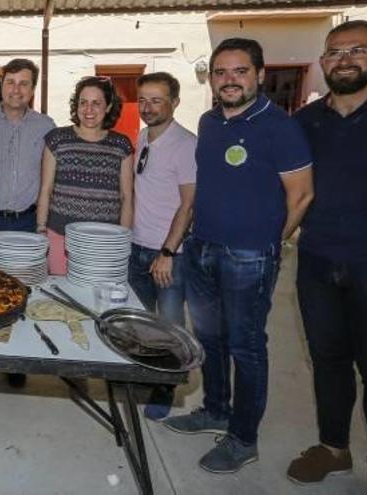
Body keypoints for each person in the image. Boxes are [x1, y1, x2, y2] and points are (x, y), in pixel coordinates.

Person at [162, 38, 314, 474]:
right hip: (203, 249)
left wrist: (268, 243)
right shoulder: (209, 122)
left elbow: (302, 196)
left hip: (249, 257)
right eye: (220, 72)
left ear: (260, 75)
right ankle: (215, 410)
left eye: (240, 71)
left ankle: (243, 437)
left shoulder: (280, 127)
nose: (229, 80)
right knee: (209, 338)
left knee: (246, 347)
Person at [286, 20, 367, 493]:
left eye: (357, 50)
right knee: (328, 360)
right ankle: (334, 448)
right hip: (319, 261)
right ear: (323, 63)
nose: (345, 60)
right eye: (335, 52)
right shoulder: (305, 122)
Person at [128, 72, 197, 421]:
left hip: (169, 255)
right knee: (141, 322)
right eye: (143, 99)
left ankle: (166, 387)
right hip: (137, 246)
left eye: (157, 100)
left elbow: (188, 204)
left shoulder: (185, 144)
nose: (148, 107)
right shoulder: (143, 136)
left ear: (175, 102)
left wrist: (167, 252)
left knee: (170, 326)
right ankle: (147, 375)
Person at [0, 58, 54, 389]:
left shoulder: (45, 126)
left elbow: (48, 179)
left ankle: (16, 360)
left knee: (21, 293)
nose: (16, 89)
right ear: (2, 84)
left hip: (25, 222)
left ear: (32, 89)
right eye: (10, 82)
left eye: (24, 83)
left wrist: (41, 223)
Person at [36, 76, 135, 275]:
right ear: (77, 105)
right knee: (61, 299)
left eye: (96, 103)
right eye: (83, 103)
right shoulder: (57, 139)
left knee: (96, 300)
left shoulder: (121, 145)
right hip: (59, 237)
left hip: (105, 241)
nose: (89, 110)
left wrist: (122, 239)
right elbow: (45, 190)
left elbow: (127, 196)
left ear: (108, 107)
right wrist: (41, 230)